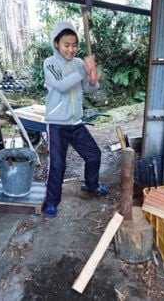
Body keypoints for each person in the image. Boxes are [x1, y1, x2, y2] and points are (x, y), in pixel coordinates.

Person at [42, 21, 108, 218]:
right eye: (66, 45)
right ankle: (52, 202)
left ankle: (91, 185)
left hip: (76, 123)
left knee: (94, 155)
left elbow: (89, 89)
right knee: (58, 165)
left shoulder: (79, 63)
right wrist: (83, 71)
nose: (71, 49)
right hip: (56, 125)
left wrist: (92, 79)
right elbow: (62, 86)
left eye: (74, 45)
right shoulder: (50, 63)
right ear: (56, 44)